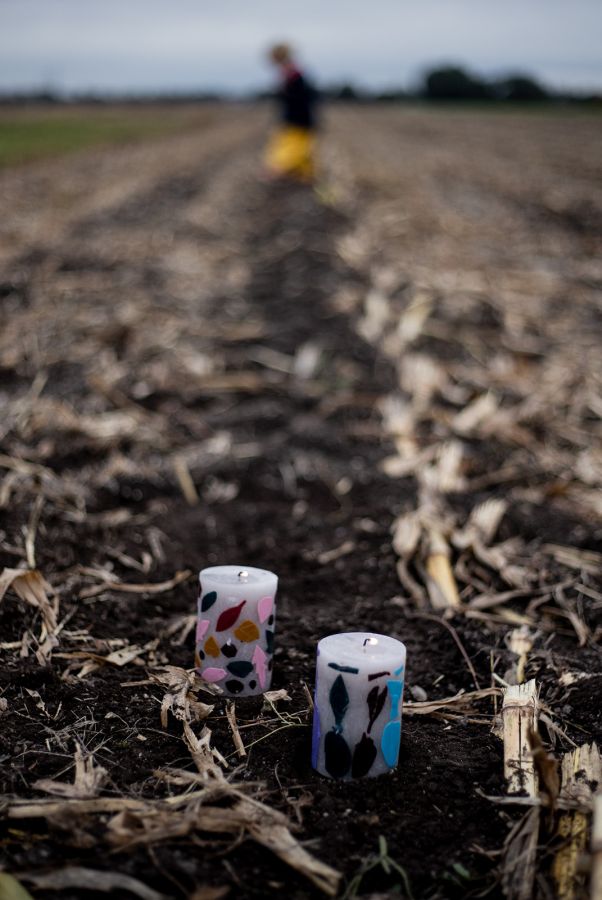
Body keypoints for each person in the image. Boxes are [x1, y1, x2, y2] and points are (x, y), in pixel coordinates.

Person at [264, 43, 318, 183]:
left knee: (292, 149)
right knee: (301, 150)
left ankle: (280, 171)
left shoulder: (293, 75)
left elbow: (297, 100)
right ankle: (305, 176)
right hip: (300, 120)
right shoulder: (293, 74)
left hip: (297, 121)